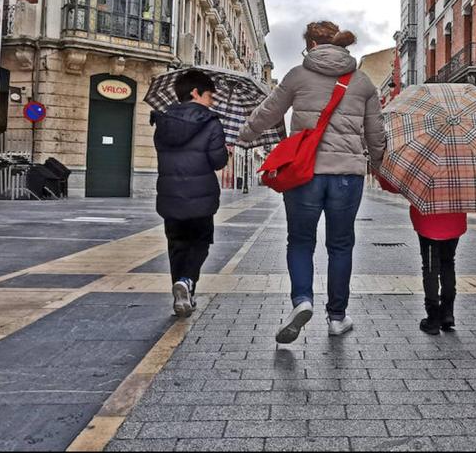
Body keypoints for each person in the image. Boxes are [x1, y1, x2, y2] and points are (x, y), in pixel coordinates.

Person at [239, 21, 386, 343]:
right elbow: (375, 133)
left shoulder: (297, 74)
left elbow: (268, 112)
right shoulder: (361, 82)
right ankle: (337, 317)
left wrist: (244, 135)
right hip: (347, 175)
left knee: (301, 242)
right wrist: (377, 162)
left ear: (311, 45)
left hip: (303, 173)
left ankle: (302, 300)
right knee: (341, 244)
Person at [151, 70, 229, 318]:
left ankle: (182, 296)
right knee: (200, 243)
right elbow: (218, 162)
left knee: (177, 244)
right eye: (209, 96)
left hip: (170, 194)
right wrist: (224, 150)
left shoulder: (162, 122)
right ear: (195, 93)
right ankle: (186, 282)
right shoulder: (211, 122)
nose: (211, 102)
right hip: (200, 196)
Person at [377, 176, 467, 335]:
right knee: (448, 263)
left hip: (428, 221)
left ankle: (432, 319)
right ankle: (447, 313)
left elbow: (394, 184)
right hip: (454, 218)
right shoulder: (461, 158)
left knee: (431, 267)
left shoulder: (422, 156)